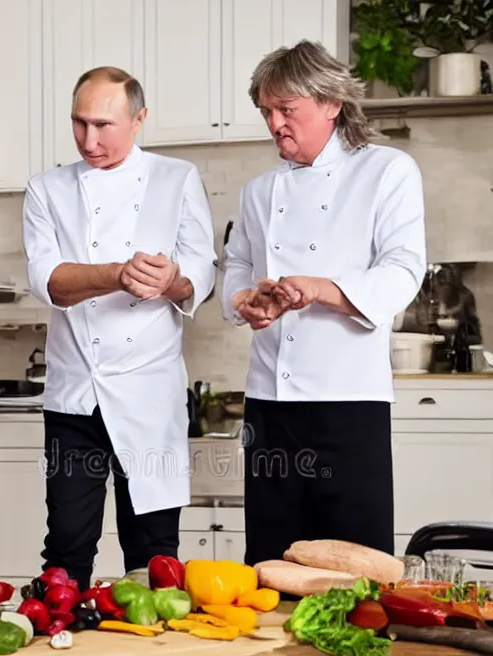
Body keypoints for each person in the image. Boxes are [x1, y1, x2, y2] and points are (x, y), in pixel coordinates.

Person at [222, 41, 427, 568]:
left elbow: (403, 268)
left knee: (357, 569)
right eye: (266, 111)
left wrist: (321, 289)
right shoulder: (258, 191)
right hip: (268, 406)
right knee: (269, 565)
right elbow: (238, 266)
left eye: (286, 109)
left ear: (331, 103)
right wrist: (247, 301)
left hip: (348, 406)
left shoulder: (386, 170)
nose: (273, 124)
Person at [23, 66, 216, 591]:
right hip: (74, 397)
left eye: (104, 125)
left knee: (154, 550)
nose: (90, 139)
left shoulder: (177, 178)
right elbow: (50, 283)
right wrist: (117, 274)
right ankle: (60, 647)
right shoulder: (46, 189)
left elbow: (203, 271)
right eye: (79, 123)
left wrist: (174, 280)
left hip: (149, 393)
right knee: (65, 544)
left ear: (139, 120)